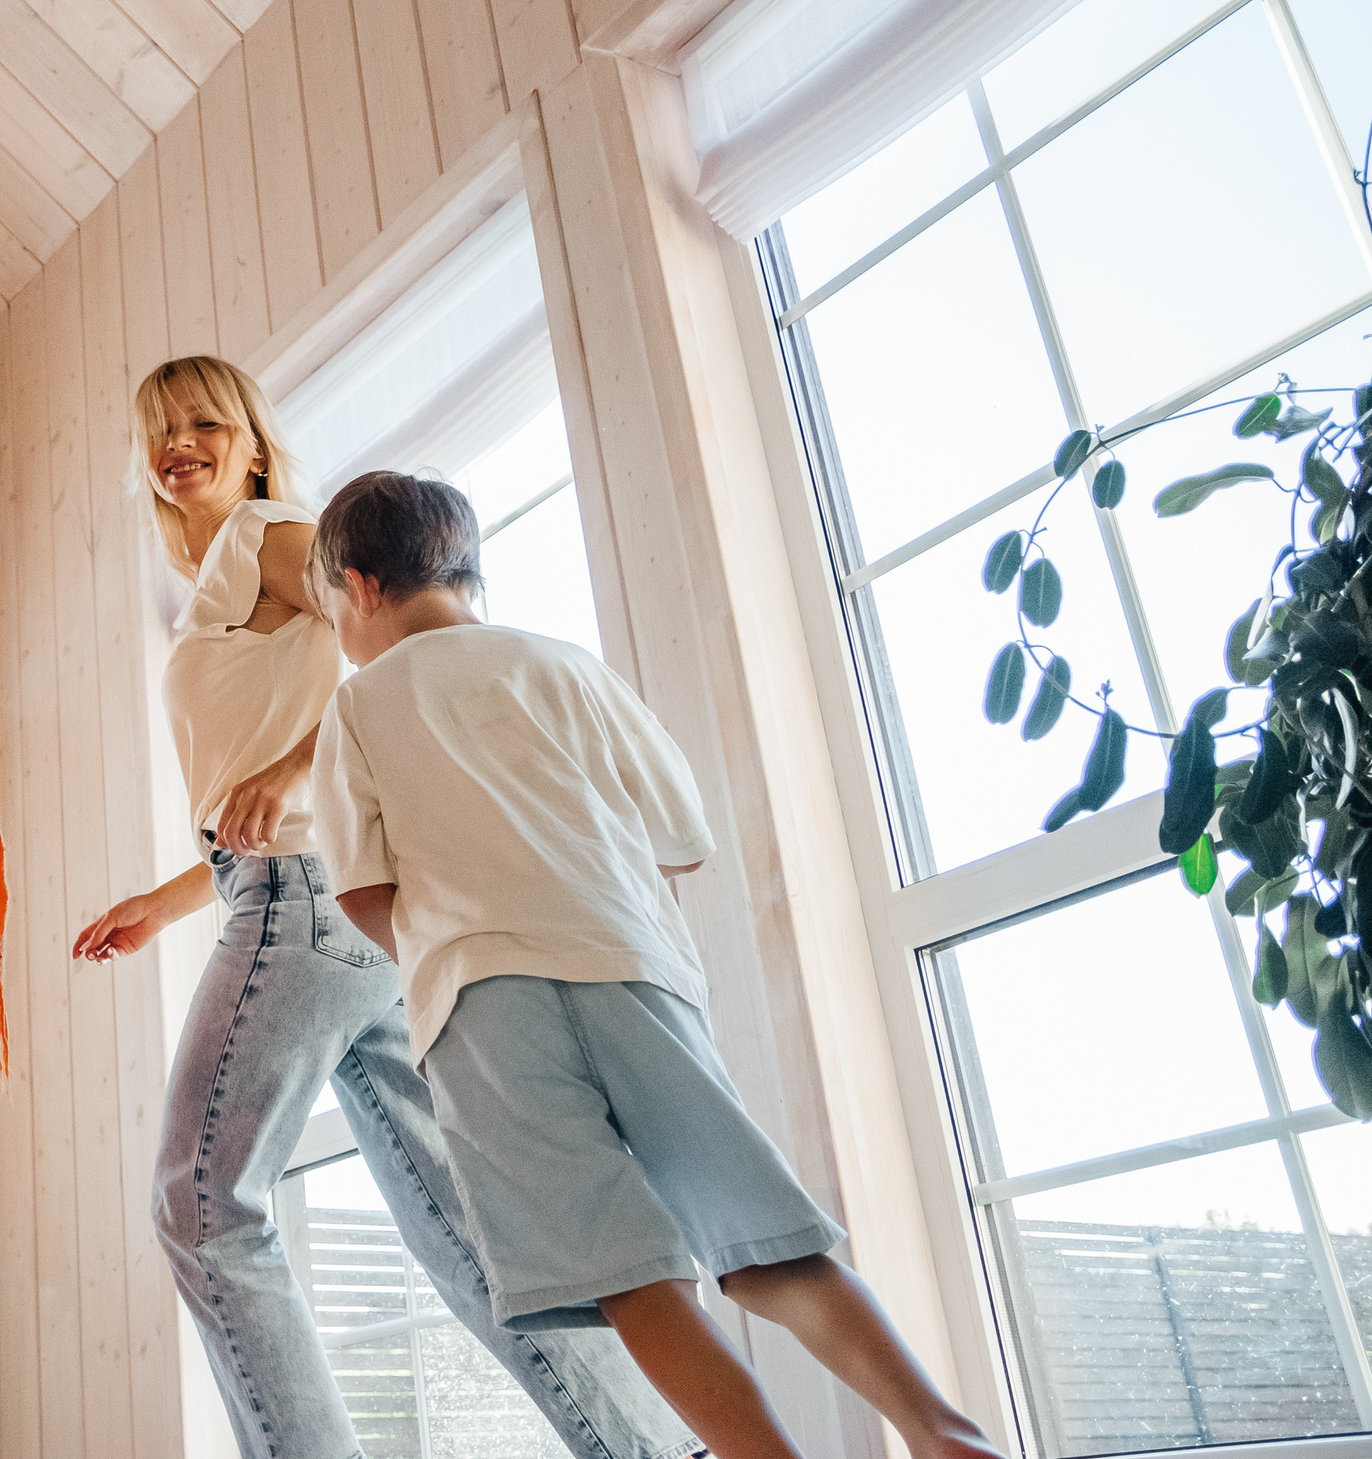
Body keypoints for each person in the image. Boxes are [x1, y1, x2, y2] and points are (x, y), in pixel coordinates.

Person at [306, 471, 1003, 1459]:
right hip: (632, 966)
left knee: (631, 1277)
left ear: (360, 585)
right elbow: (678, 835)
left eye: (333, 610)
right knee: (766, 1244)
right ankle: (946, 1435)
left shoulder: (359, 705)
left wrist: (441, 946)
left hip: (482, 999)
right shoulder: (569, 667)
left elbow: (362, 890)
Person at [73, 357, 694, 1459]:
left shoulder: (266, 533)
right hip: (339, 915)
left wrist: (293, 772)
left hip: (304, 909)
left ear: (253, 445)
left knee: (202, 1206)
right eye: (159, 429)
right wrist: (166, 903)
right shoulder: (224, 570)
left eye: (205, 421)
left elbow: (401, 643)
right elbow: (258, 811)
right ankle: (658, 1447)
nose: (179, 444)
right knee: (460, 1223)